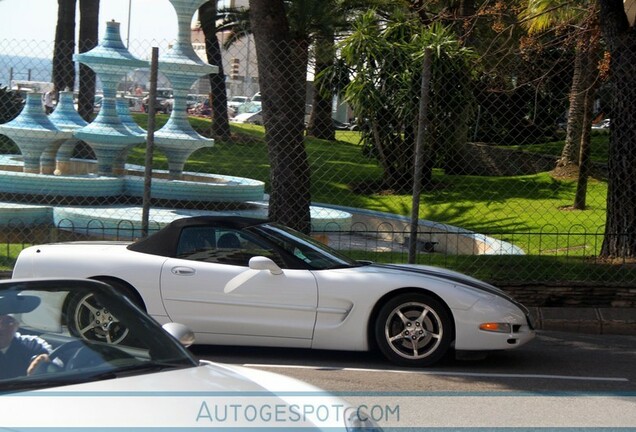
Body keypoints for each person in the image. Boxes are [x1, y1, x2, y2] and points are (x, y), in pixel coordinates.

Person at [0, 295, 52, 380]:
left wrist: (45, 364)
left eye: (9, 322)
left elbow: (58, 366)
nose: (1, 327)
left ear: (17, 325)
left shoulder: (34, 344)